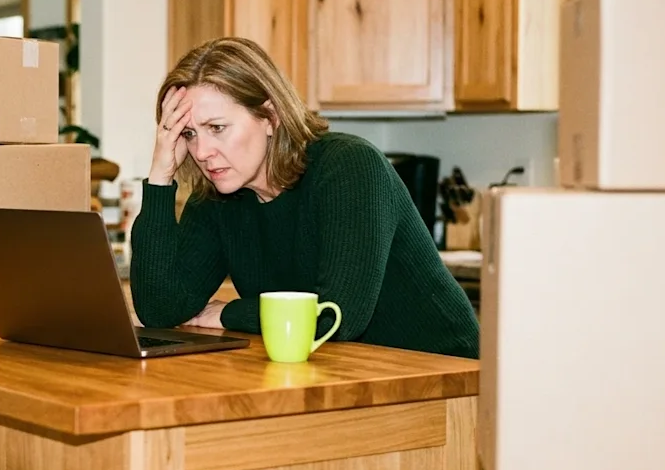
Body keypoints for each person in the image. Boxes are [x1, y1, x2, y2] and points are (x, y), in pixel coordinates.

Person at [128, 37, 480, 359]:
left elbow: (337, 317)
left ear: (270, 115)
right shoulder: (219, 197)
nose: (202, 152)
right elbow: (161, 309)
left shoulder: (347, 166)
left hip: (442, 372)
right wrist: (160, 177)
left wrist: (228, 312)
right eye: (189, 134)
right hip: (344, 368)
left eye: (217, 128)